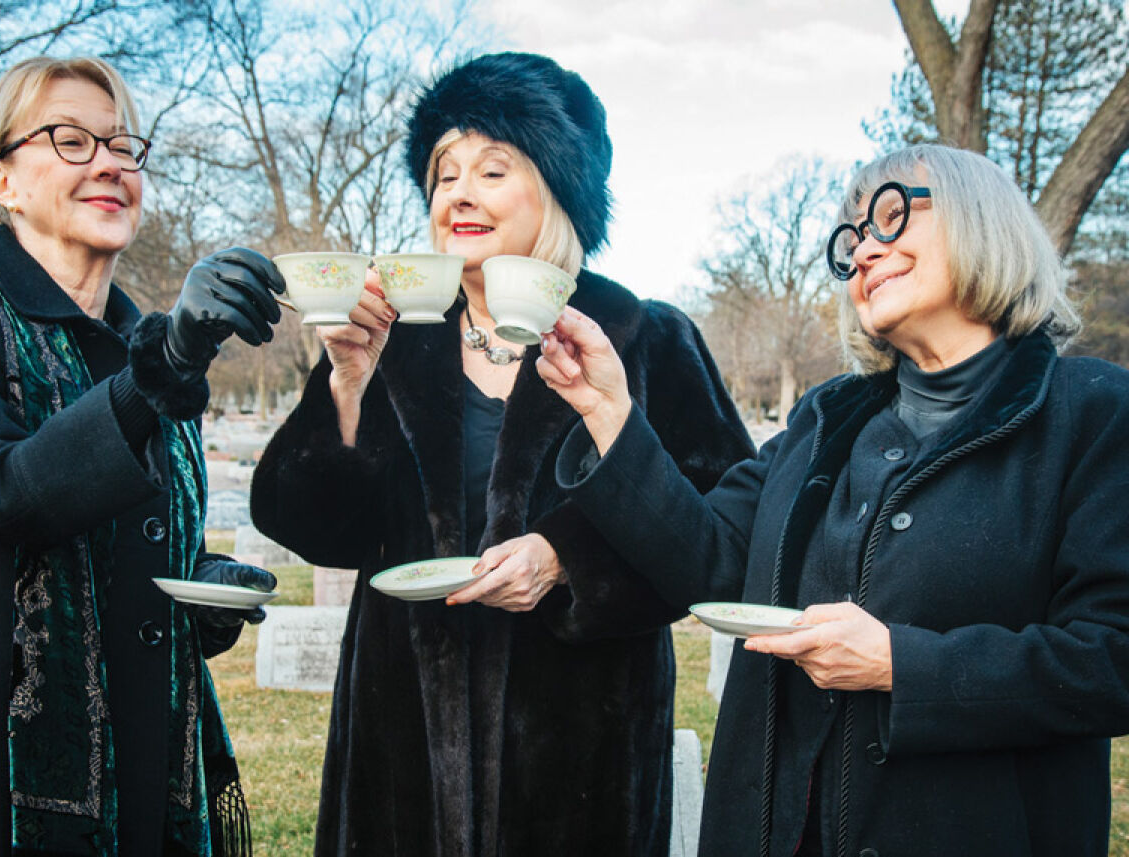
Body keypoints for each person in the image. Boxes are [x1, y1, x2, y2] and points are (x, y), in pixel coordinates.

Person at [537, 141, 1129, 857]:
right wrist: (610, 413)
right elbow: (710, 561)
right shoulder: (825, 420)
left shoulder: (1095, 413)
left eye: (889, 216)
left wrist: (899, 665)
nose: (863, 253)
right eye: (851, 242)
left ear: (984, 220)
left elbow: (1112, 657)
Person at [249, 52, 754, 856]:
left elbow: (717, 536)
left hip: (584, 751)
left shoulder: (644, 335)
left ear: (557, 189)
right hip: (400, 734)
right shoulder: (390, 334)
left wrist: (565, 559)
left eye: (492, 168)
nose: (459, 191)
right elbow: (315, 527)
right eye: (443, 172)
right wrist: (344, 385)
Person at [0, 57, 287, 856]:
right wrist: (163, 365)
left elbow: (138, 560)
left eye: (124, 145)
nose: (109, 163)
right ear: (3, 180)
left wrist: (206, 590)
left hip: (154, 783)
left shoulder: (149, 347)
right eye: (70, 139)